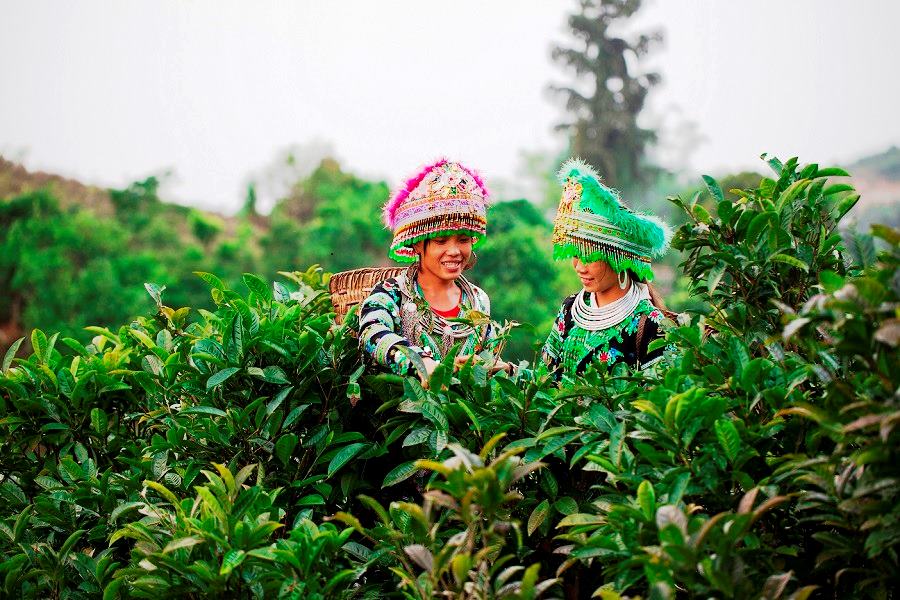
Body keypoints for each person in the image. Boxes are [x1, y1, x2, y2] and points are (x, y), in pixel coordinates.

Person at [359, 159, 498, 380]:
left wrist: (498, 368)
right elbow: (371, 332)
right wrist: (420, 362)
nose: (454, 251)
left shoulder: (479, 301)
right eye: (441, 241)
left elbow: (489, 359)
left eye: (463, 240)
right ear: (416, 244)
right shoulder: (390, 294)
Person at [542, 158, 673, 377]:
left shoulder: (652, 325)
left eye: (589, 257)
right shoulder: (570, 309)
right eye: (575, 255)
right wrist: (510, 370)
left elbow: (662, 394)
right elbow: (544, 378)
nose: (579, 267)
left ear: (618, 258)